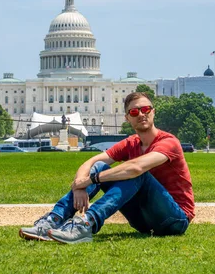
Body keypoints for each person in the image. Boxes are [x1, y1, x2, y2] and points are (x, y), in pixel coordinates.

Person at [19, 92, 194, 244]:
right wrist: (79, 185)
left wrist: (93, 179)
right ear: (127, 118)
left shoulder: (169, 142)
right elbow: (91, 162)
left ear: (153, 112)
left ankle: (86, 224)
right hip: (143, 222)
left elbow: (136, 168)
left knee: (137, 173)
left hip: (174, 219)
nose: (141, 114)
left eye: (146, 109)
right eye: (134, 111)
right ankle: (53, 220)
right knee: (101, 166)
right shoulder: (131, 143)